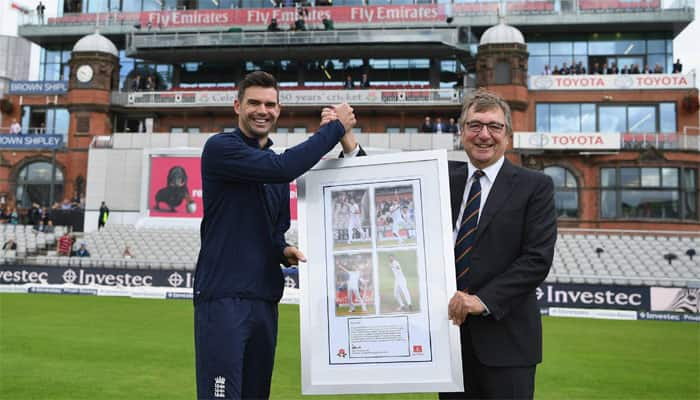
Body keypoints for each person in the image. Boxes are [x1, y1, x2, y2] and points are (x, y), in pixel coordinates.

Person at [193, 71, 362, 400]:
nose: (262, 110)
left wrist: (283, 249)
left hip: (265, 301)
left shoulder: (270, 163)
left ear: (279, 110)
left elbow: (273, 233)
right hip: (225, 298)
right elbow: (284, 167)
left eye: (270, 104)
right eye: (253, 102)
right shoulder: (220, 148)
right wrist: (335, 128)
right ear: (237, 106)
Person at [441, 90, 557, 400]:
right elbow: (390, 187)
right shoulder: (441, 178)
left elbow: (537, 259)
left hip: (508, 346)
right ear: (462, 131)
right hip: (448, 346)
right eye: (475, 125)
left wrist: (482, 300)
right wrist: (349, 144)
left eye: (494, 126)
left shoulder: (536, 186)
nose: (484, 135)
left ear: (508, 135)